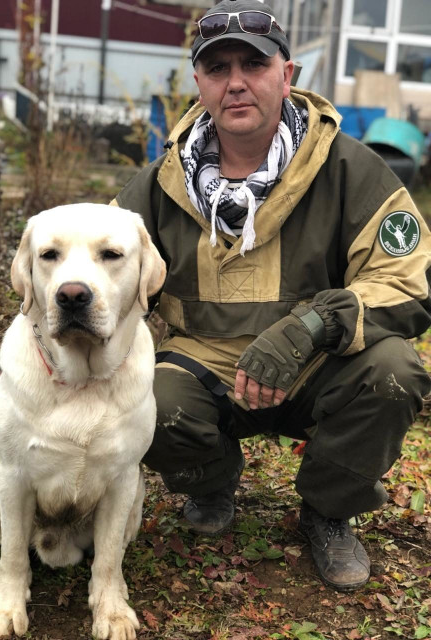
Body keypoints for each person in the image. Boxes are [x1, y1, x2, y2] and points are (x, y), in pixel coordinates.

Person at [112, 0, 431, 591]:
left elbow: (408, 280)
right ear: (199, 83)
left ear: (287, 76)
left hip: (318, 362)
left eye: (254, 65)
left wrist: (313, 325)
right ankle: (211, 480)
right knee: (145, 400)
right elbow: (98, 263)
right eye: (218, 68)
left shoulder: (350, 170)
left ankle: (329, 508)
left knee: (393, 372)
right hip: (204, 364)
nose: (236, 82)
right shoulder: (161, 181)